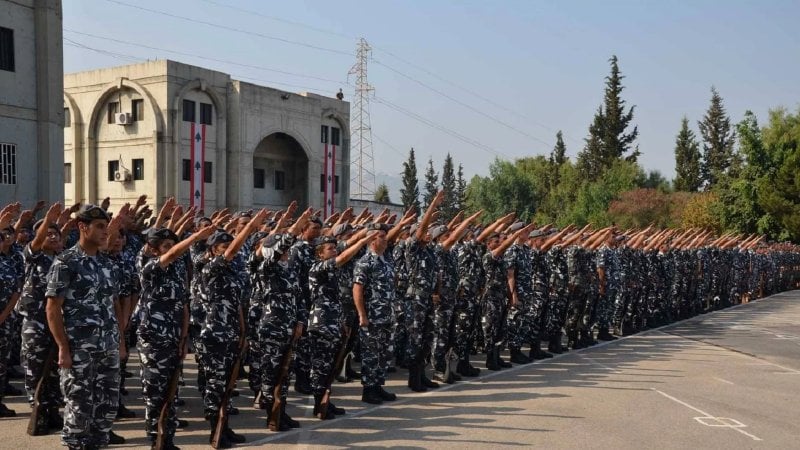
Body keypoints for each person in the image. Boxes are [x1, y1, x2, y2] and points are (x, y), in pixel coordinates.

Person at [45, 205, 126, 450]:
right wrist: (63, 348)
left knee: (107, 409)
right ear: (83, 227)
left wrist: (120, 341)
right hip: (79, 350)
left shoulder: (107, 263)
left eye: (107, 226)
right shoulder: (66, 262)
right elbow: (52, 308)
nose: (106, 232)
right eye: (100, 227)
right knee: (79, 410)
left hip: (107, 347)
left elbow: (114, 304)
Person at [138, 225, 214, 449]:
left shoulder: (177, 270)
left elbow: (183, 306)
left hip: (174, 339)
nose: (172, 250)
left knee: (170, 393)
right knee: (154, 394)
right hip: (153, 340)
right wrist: (195, 238)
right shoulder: (148, 266)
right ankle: (156, 440)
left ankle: (168, 439)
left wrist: (183, 340)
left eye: (173, 244)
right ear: (153, 250)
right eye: (166, 246)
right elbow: (172, 254)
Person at [307, 231, 375, 419]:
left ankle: (326, 401)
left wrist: (340, 322)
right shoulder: (318, 267)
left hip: (332, 322)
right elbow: (344, 257)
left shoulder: (332, 271)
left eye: (335, 248)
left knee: (330, 366)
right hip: (320, 324)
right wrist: (362, 241)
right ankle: (318, 403)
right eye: (330, 249)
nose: (334, 251)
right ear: (320, 253)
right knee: (321, 366)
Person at [18, 203, 65, 430]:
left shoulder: (62, 260)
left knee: (55, 370)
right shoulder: (31, 256)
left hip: (55, 321)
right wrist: (47, 220)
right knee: (35, 369)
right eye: (49, 234)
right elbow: (36, 242)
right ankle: (38, 411)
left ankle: (53, 410)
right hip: (35, 322)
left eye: (56, 234)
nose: (53, 237)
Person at [353, 224, 398, 404]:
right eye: (381, 237)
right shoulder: (364, 262)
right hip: (372, 316)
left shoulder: (386, 261)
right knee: (370, 354)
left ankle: (378, 386)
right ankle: (368, 390)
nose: (385, 240)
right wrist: (362, 315)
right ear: (372, 240)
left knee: (382, 353)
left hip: (387, 315)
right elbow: (357, 290)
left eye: (385, 237)